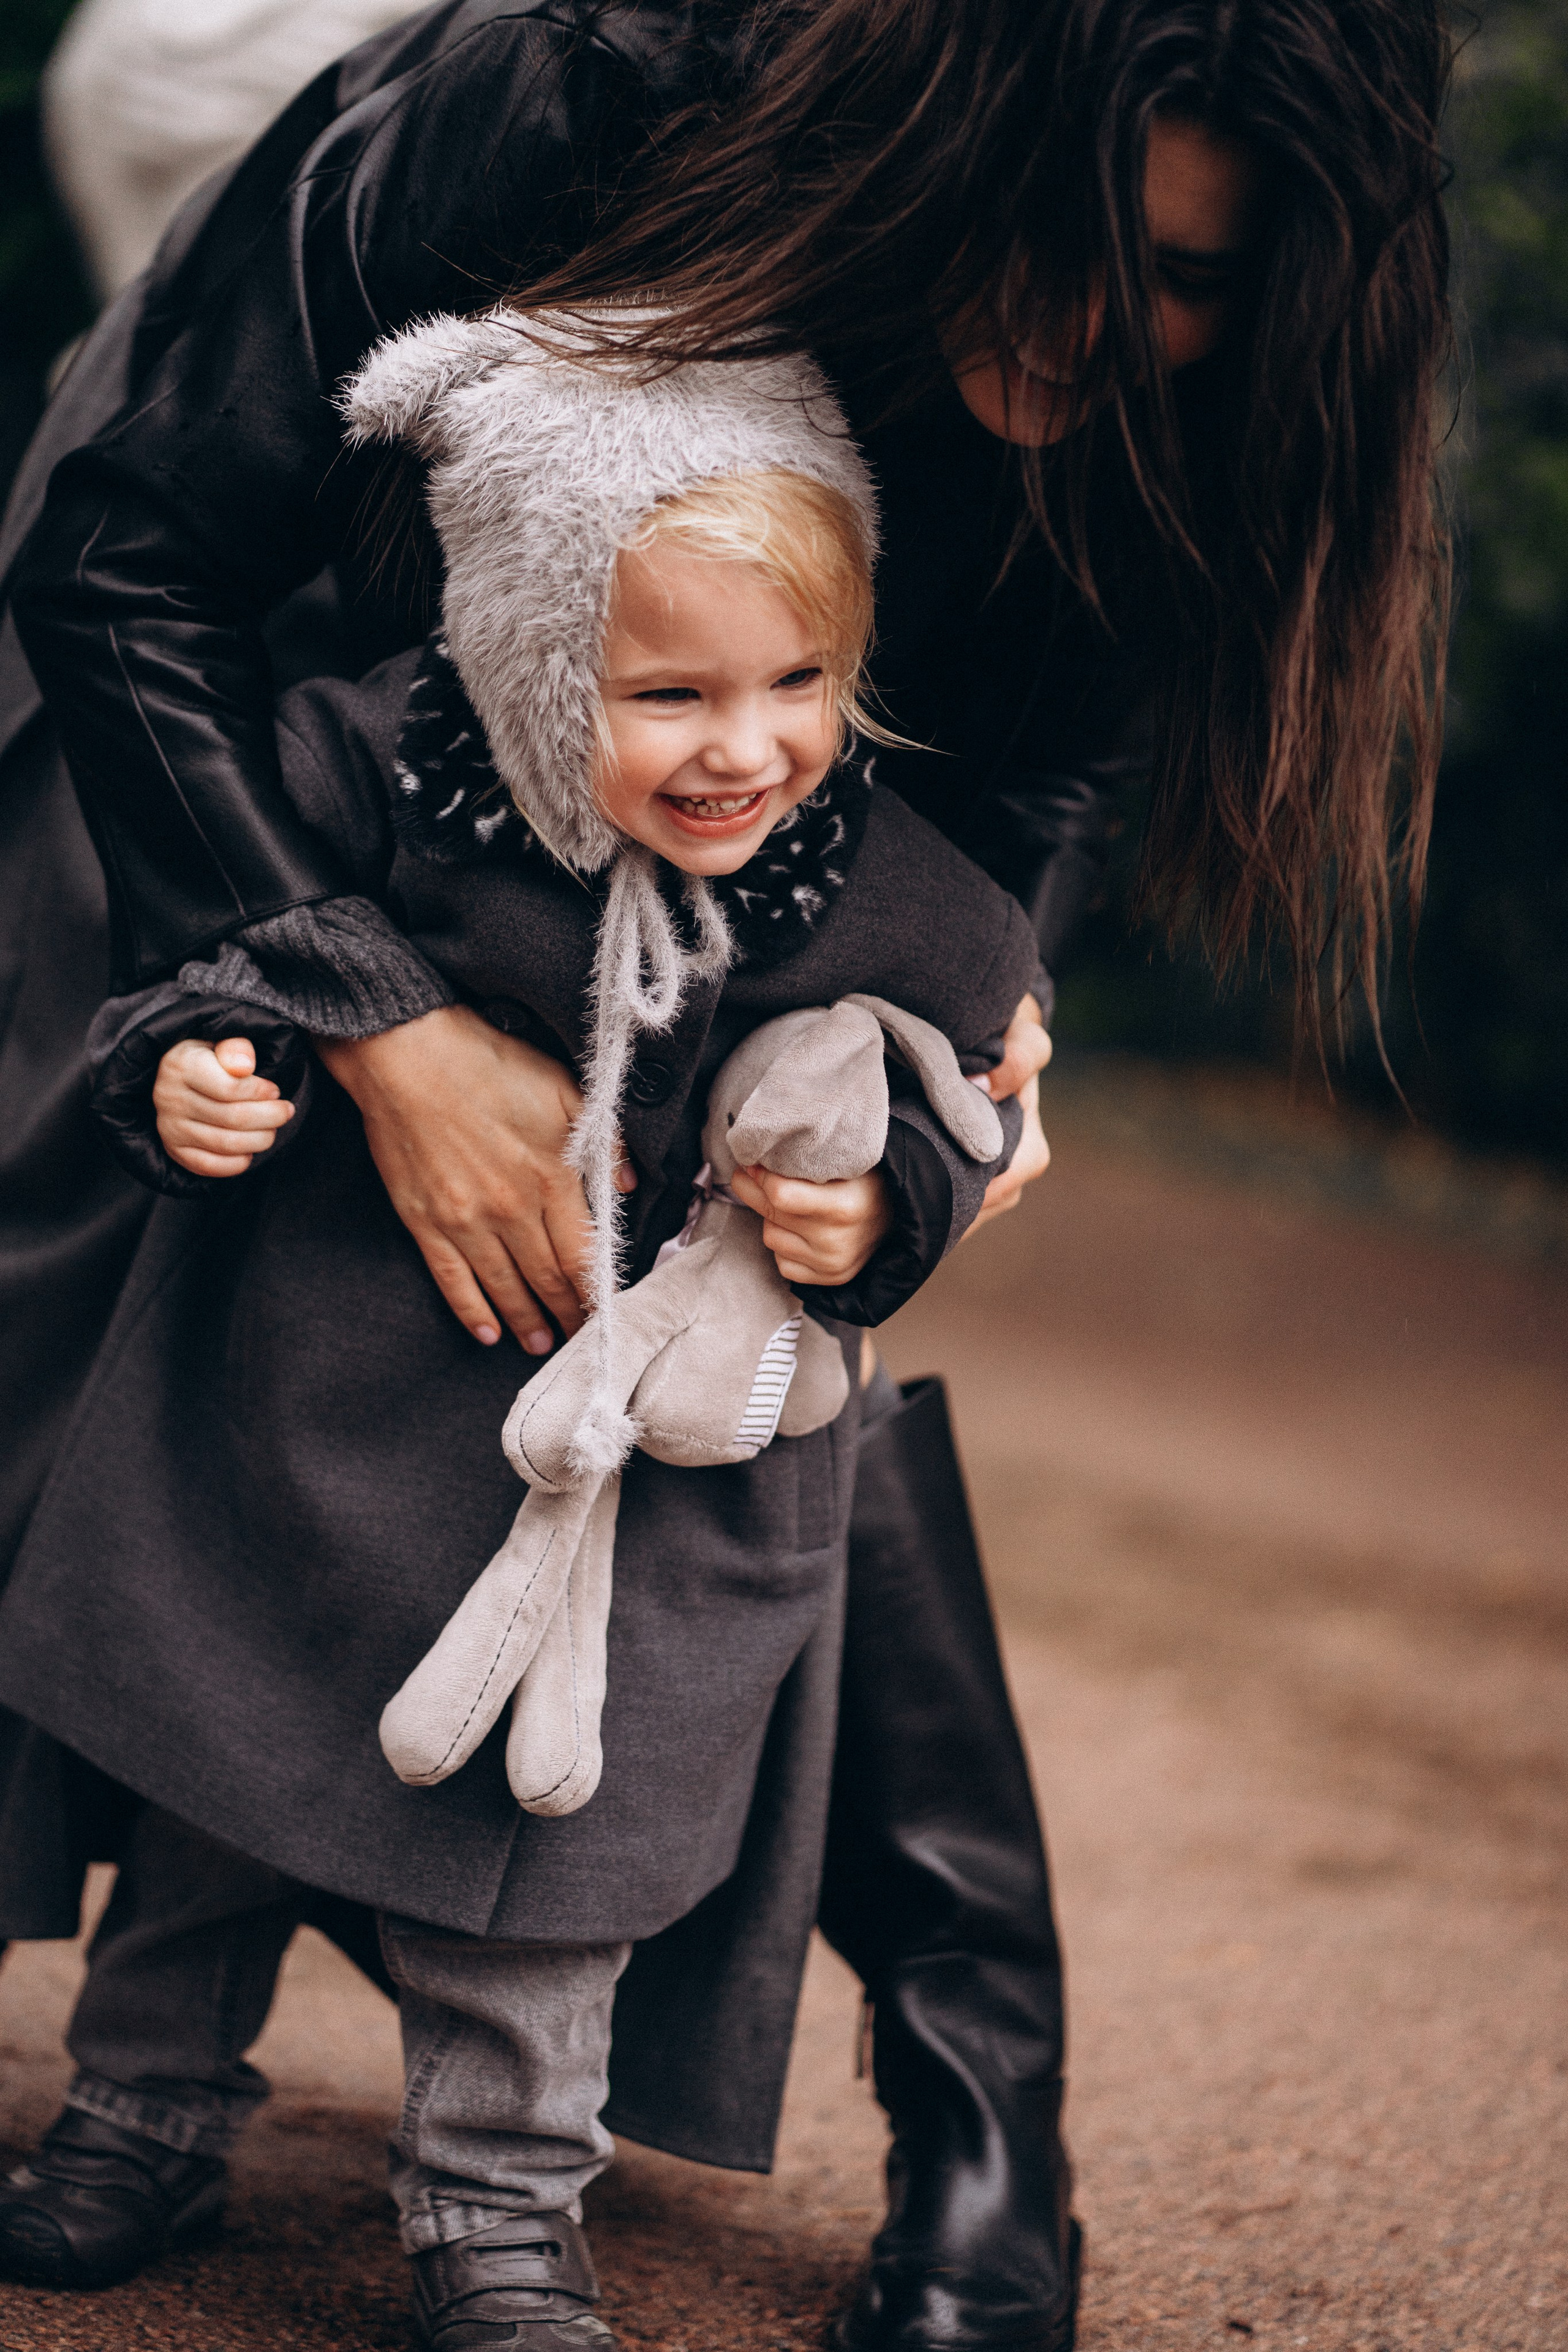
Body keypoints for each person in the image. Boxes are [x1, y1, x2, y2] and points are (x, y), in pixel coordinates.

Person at [0, 4, 1451, 2348]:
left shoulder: (1152, 417)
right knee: (145, 1300)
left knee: (749, 1358)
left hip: (727, 862)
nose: (1106, 328)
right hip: (258, 700)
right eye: (1077, 246)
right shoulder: (581, 95)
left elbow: (1016, 809)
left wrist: (962, 1056)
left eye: (1187, 282)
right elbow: (133, 563)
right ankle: (149, 2072)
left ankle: (988, 2105)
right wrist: (368, 1015)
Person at [0, 326, 1046, 2352]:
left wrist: (886, 1196)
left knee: (540, 1877)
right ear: (520, 653)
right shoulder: (360, 771)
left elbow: (964, 1094)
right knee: (223, 1782)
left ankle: (497, 2214)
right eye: (669, 695)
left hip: (631, 1504)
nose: (745, 745)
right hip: (309, 1409)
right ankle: (141, 2112)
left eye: (800, 685)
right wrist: (199, 1077)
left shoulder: (890, 888)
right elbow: (214, 961)